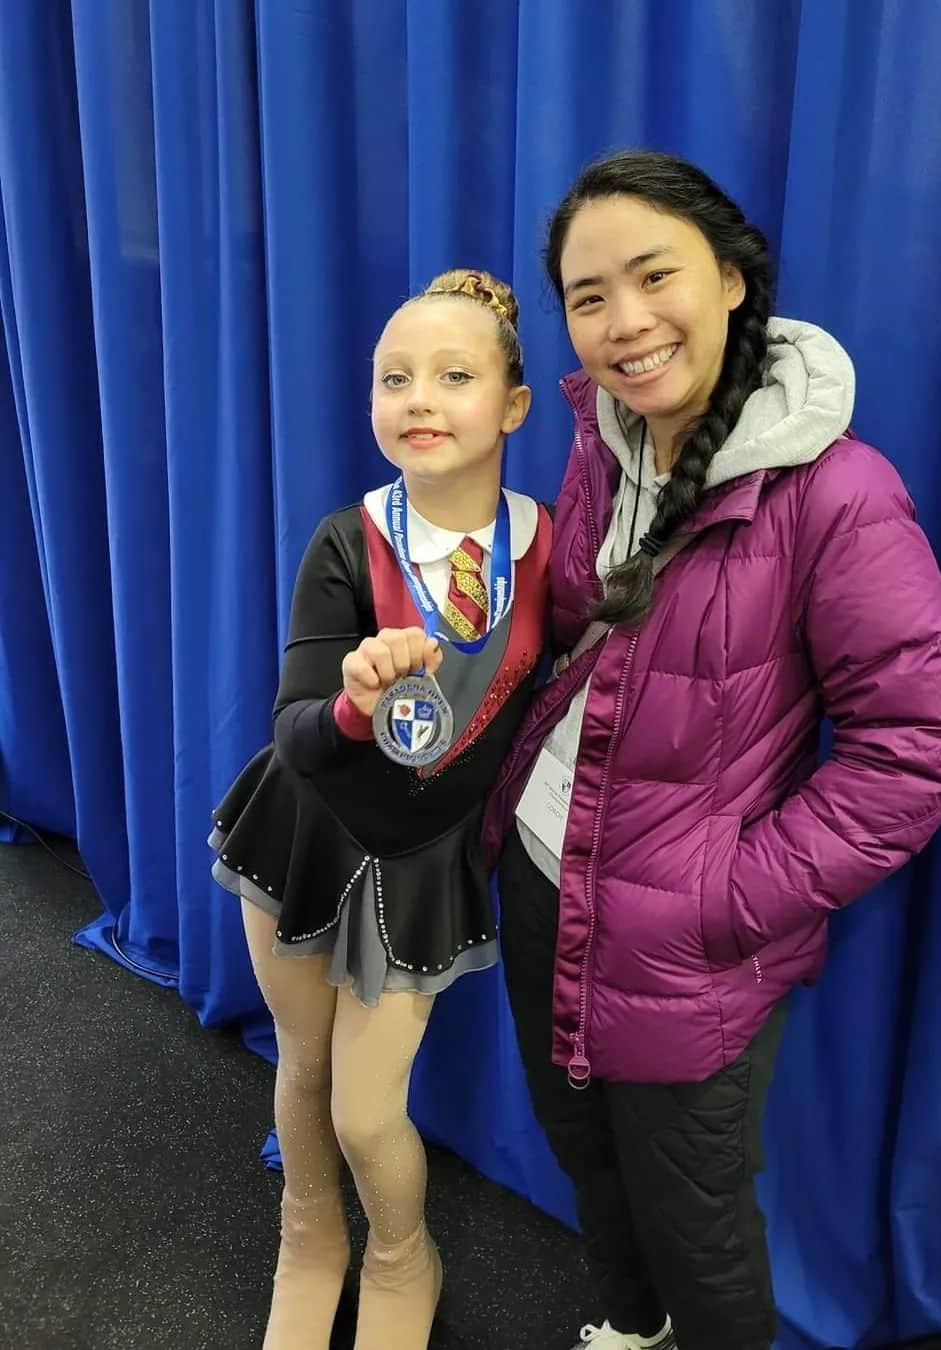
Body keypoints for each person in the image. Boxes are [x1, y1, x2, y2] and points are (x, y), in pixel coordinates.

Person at [483, 150, 941, 1350]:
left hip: (687, 942)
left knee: (695, 1222)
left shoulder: (839, 494)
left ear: (735, 279)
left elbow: (914, 752)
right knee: (587, 1161)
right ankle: (631, 1332)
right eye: (590, 297)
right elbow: (594, 636)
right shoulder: (605, 441)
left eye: (655, 277)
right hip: (546, 876)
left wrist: (724, 898)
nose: (626, 322)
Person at [209, 269, 550, 1350]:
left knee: (366, 1108)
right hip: (303, 831)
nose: (419, 398)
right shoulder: (348, 539)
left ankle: (405, 1252)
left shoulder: (552, 552)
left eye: (455, 375)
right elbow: (294, 730)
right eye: (394, 377)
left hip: (421, 865)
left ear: (514, 404)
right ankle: (310, 1237)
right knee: (303, 1066)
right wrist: (354, 704)